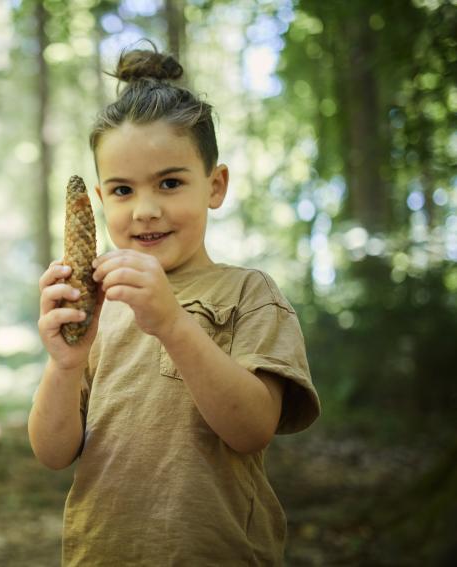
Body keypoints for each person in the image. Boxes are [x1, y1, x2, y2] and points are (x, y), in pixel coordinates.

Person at [29, 46, 321, 565]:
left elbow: (253, 429)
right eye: (122, 190)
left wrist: (172, 323)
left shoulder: (250, 294)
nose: (145, 210)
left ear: (215, 185)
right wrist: (65, 362)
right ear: (100, 198)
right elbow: (52, 453)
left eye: (169, 182)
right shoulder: (100, 305)